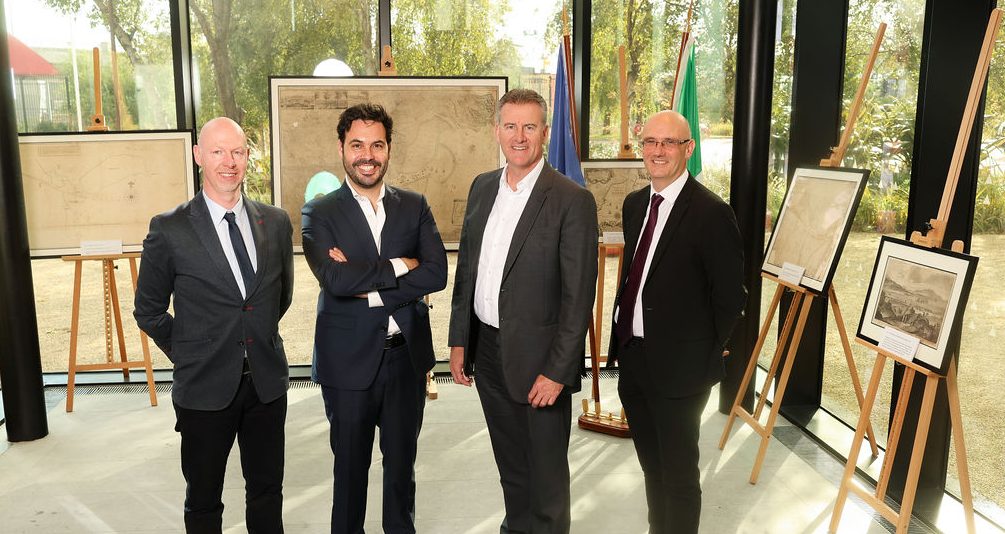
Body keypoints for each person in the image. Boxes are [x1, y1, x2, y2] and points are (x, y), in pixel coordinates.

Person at [448, 88, 598, 534]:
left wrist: (557, 371)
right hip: (487, 351)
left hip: (541, 363)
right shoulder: (481, 187)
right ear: (496, 130)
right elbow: (467, 270)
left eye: (529, 127)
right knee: (511, 469)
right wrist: (459, 341)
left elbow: (578, 298)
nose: (519, 136)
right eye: (510, 126)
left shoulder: (571, 200)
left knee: (546, 481)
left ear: (545, 133)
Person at [134, 117, 294, 534]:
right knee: (204, 501)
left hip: (266, 385)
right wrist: (192, 351)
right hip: (204, 388)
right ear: (198, 156)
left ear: (247, 157)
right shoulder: (170, 228)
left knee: (267, 492)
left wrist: (251, 338)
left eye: (237, 152)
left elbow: (279, 298)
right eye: (218, 151)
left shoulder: (276, 222)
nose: (229, 162)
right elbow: (148, 310)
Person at [301, 103, 447, 534]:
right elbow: (335, 279)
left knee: (402, 470)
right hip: (347, 363)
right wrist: (402, 264)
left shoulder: (414, 205)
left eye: (377, 145)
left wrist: (368, 286)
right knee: (350, 473)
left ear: (389, 148)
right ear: (342, 148)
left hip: (406, 360)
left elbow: (436, 273)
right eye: (357, 145)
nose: (368, 155)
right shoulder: (319, 212)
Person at [607, 110, 746, 534]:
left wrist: (703, 357)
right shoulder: (635, 204)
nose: (658, 150)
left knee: (680, 476)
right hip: (634, 361)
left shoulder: (712, 212)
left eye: (669, 142)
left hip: (682, 372)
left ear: (689, 149)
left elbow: (730, 298)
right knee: (652, 468)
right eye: (650, 141)